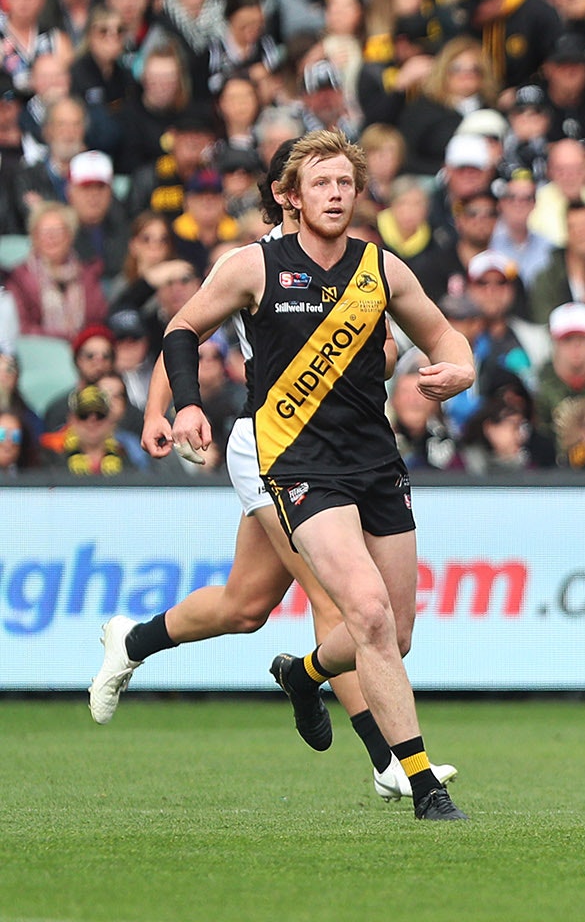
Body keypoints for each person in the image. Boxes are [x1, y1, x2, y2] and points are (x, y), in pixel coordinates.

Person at [90, 142, 457, 803]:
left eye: (346, 180)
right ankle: (389, 758)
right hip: (271, 447)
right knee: (342, 601)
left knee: (248, 606)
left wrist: (415, 357)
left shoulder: (372, 270)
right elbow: (183, 331)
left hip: (354, 453)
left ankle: (135, 637)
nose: (336, 192)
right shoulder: (258, 262)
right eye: (320, 180)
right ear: (290, 192)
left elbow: (397, 345)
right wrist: (168, 408)